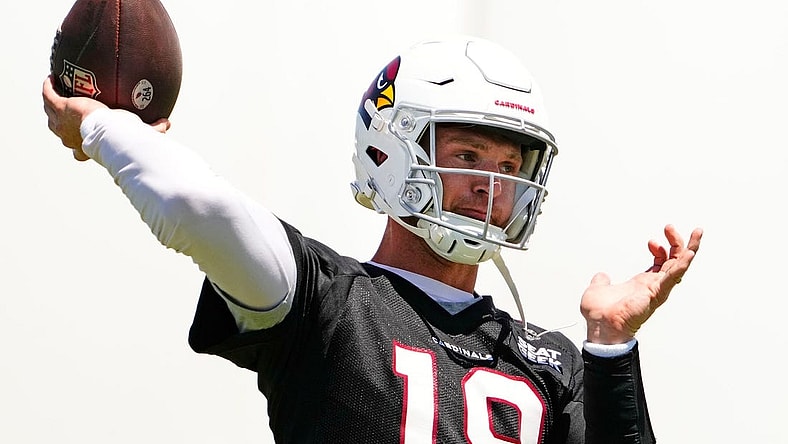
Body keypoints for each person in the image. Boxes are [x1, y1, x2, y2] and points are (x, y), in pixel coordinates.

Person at [43, 36, 702, 443]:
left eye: (509, 167)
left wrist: (612, 348)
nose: (491, 186)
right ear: (390, 152)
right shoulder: (328, 304)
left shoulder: (552, 363)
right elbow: (198, 204)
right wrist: (103, 128)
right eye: (469, 154)